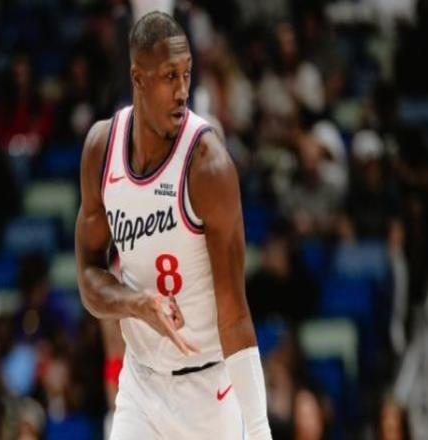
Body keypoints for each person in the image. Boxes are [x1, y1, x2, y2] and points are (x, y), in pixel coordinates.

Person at [75, 11, 272, 440]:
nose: (183, 91)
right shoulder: (101, 150)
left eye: (186, 74)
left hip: (207, 391)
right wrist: (136, 303)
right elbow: (88, 277)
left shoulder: (208, 166)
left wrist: (259, 429)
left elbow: (235, 311)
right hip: (141, 384)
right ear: (137, 78)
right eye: (169, 76)